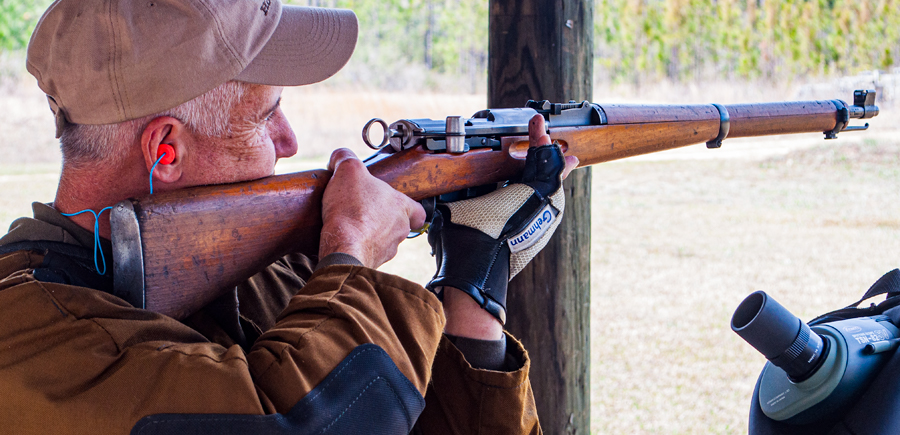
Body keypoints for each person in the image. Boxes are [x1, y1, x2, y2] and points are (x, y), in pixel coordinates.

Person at [0, 0, 577, 433]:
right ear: (165, 150)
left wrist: (471, 297)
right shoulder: (27, 349)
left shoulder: (260, 273)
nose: (289, 140)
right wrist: (352, 253)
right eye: (264, 116)